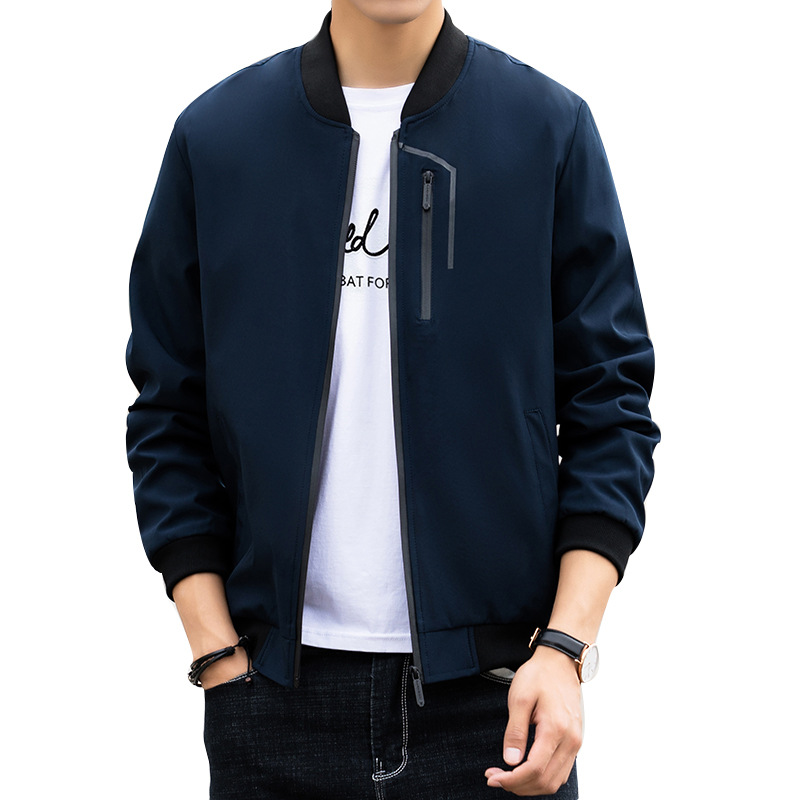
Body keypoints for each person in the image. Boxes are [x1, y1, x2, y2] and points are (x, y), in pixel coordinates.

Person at [125, 2, 659, 797]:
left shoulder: (547, 130)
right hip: (272, 700)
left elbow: (610, 406)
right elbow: (168, 408)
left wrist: (564, 648)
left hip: (498, 701)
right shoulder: (219, 139)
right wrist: (216, 652)